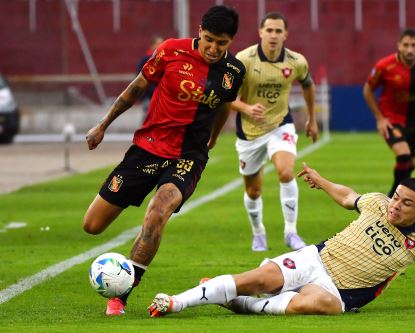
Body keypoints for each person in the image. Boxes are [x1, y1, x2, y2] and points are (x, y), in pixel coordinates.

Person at [82, 5, 245, 316]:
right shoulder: (169, 51)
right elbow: (137, 88)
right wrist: (103, 125)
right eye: (209, 39)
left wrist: (213, 136)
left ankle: (121, 294)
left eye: (221, 43)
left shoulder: (233, 72)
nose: (213, 48)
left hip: (188, 155)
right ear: (199, 31)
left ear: (230, 42)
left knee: (159, 210)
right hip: (148, 148)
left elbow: (225, 105)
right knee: (92, 225)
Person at [147, 163, 415, 317]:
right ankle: (176, 301)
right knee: (259, 278)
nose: (395, 205)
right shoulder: (377, 203)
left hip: (338, 292)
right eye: (396, 197)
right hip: (316, 258)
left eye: (405, 203)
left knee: (324, 306)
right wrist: (321, 180)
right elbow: (347, 197)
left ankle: (238, 302)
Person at [231, 12, 318, 252]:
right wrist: (246, 107)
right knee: (253, 189)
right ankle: (258, 233)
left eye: (278, 31)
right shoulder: (244, 59)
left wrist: (312, 119)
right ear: (260, 32)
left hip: (281, 125)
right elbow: (227, 98)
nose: (273, 35)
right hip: (249, 132)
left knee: (286, 172)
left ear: (285, 35)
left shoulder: (296, 61)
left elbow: (309, 86)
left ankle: (291, 231)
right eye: (269, 30)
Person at [363, 29, 415, 197]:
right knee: (404, 155)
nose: (409, 50)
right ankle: (391, 198)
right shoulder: (385, 66)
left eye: (413, 45)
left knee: (411, 163)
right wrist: (380, 118)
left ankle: (401, 201)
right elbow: (368, 90)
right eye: (405, 45)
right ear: (398, 46)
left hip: (413, 121)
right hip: (391, 119)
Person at [136, 35, 164, 118]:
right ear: (152, 45)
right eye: (159, 43)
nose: (161, 45)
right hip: (148, 96)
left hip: (160, 96)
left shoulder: (164, 59)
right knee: (147, 117)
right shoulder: (145, 60)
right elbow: (140, 77)